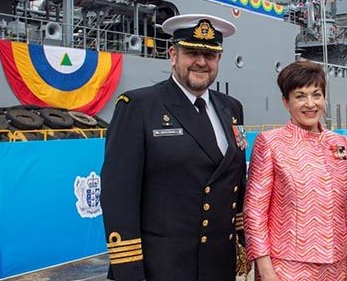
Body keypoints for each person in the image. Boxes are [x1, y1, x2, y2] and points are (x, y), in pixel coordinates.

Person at [101, 14, 248, 281]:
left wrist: (243, 242)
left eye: (210, 55)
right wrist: (129, 271)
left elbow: (236, 184)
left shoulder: (231, 108)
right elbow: (118, 196)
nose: (201, 62)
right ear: (173, 54)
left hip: (219, 265)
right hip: (164, 267)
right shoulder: (138, 106)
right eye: (191, 52)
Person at [245, 60, 347, 281]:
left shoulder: (341, 143)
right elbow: (255, 211)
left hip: (336, 267)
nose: (310, 104)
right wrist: (265, 269)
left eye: (316, 94)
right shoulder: (270, 143)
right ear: (286, 102)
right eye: (300, 96)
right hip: (285, 267)